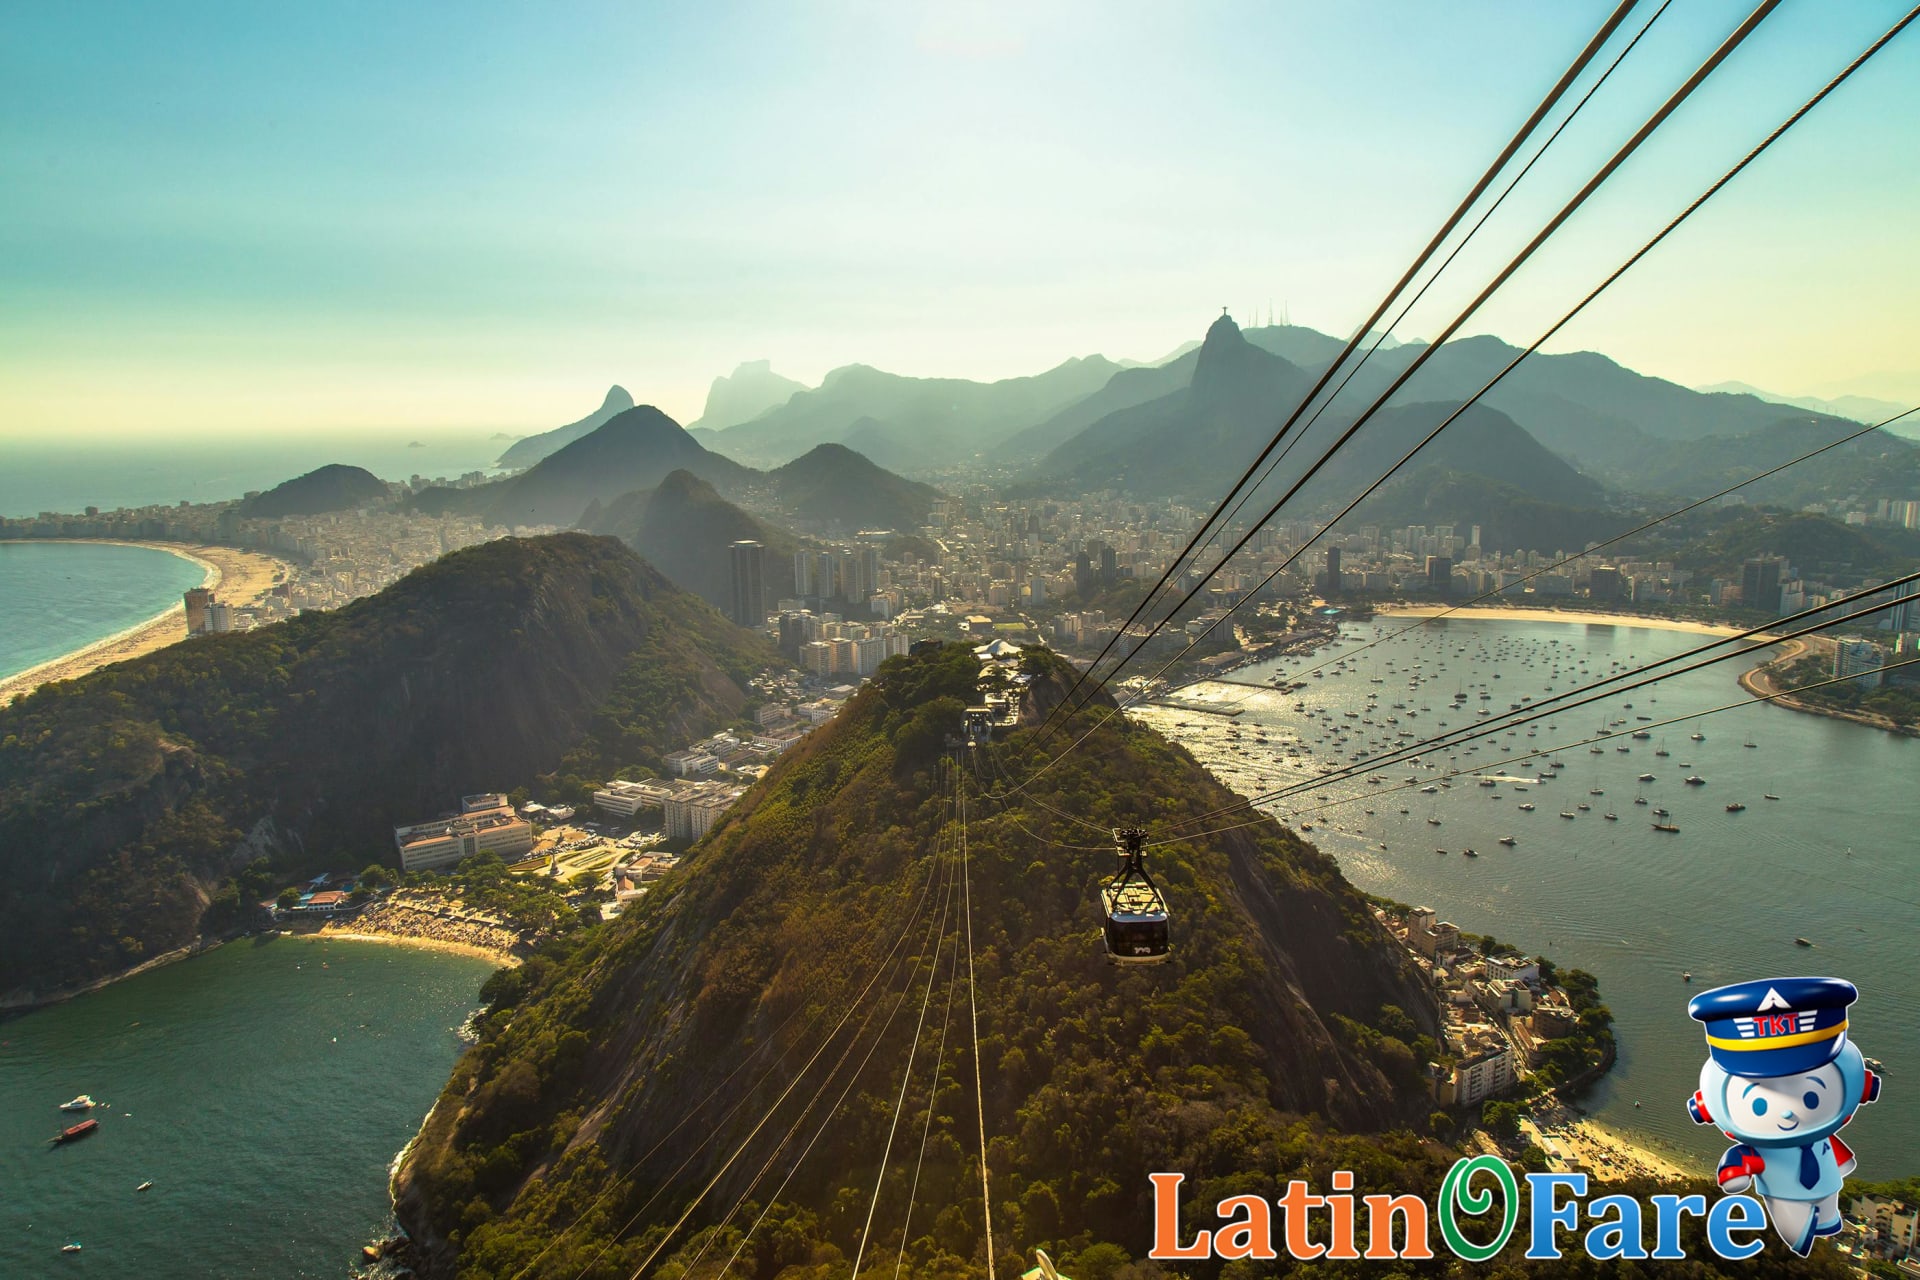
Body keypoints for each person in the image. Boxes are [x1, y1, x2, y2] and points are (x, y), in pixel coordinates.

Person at [1686, 977, 1882, 1255]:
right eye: (1760, 1104)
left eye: (1810, 1097)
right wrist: (1736, 1173)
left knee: (1826, 1216)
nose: (1789, 1111)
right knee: (1796, 1233)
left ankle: (1826, 1221)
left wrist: (1842, 1163)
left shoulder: (1818, 1136)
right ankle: (1802, 1237)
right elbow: (1740, 1162)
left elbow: (1832, 1152)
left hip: (1824, 1186)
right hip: (1784, 1196)